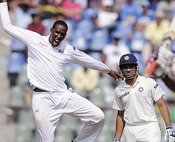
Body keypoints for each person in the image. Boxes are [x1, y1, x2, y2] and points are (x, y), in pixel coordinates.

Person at [0, 1, 122, 142]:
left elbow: (86, 59)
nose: (59, 36)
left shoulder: (67, 49)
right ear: (51, 30)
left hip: (62, 95)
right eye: (57, 32)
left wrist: (107, 70)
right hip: (42, 100)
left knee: (98, 117)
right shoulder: (35, 40)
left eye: (62, 34)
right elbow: (8, 27)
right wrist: (3, 3)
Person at [112, 53, 175, 142]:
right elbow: (120, 115)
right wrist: (117, 138)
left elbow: (161, 105)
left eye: (131, 66)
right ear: (121, 69)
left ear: (136, 67)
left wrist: (169, 128)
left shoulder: (149, 82)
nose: (128, 70)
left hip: (149, 128)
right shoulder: (118, 90)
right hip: (130, 130)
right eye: (125, 67)